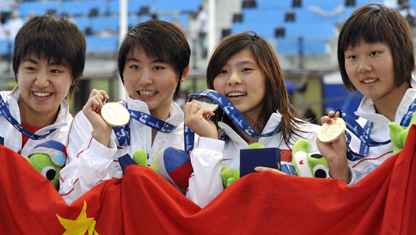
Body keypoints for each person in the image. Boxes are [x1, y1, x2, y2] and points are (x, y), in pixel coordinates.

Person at [59, 19, 191, 204]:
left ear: (183, 73)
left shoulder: (193, 134)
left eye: (158, 68)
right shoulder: (92, 122)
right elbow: (70, 200)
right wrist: (100, 142)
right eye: (134, 67)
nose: (145, 80)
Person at [183, 32, 320, 208]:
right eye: (222, 71)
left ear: (269, 76)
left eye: (246, 69)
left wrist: (292, 189)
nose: (233, 80)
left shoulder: (311, 137)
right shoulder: (205, 145)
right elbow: (200, 213)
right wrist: (209, 141)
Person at [317, 4, 416, 185]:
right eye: (352, 57)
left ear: (401, 52)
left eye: (374, 53)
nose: (363, 67)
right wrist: (339, 168)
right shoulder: (350, 136)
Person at [0, 15, 86, 161]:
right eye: (31, 68)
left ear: (74, 76)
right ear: (17, 70)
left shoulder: (77, 142)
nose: (42, 82)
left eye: (55, 71)